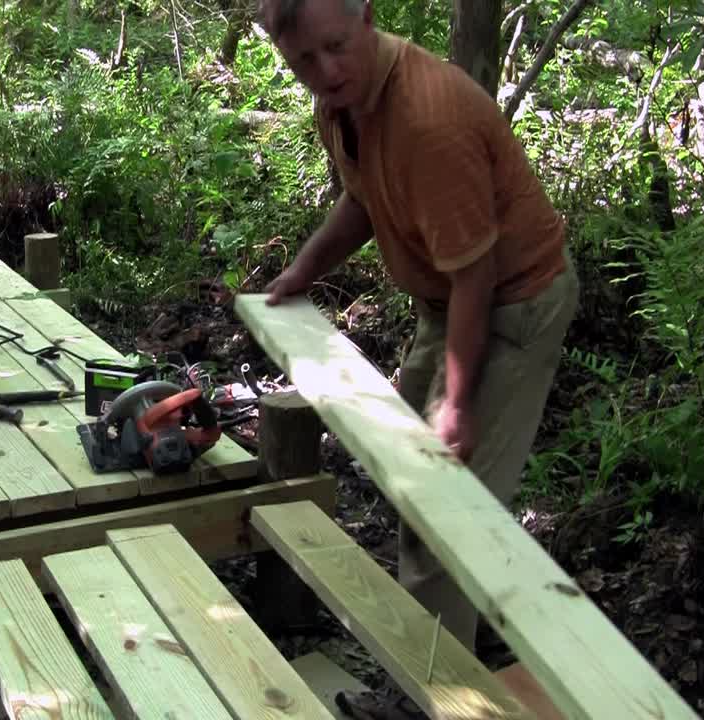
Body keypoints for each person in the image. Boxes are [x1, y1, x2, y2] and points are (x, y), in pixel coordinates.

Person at [257, 0, 578, 717]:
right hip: (453, 302)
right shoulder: (345, 104)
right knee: (413, 477)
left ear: (366, 18)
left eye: (336, 48)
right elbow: (363, 200)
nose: (324, 71)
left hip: (513, 304)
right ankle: (453, 652)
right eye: (303, 61)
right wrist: (302, 271)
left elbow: (479, 275)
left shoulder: (428, 120)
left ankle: (437, 698)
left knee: (447, 510)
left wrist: (459, 404)